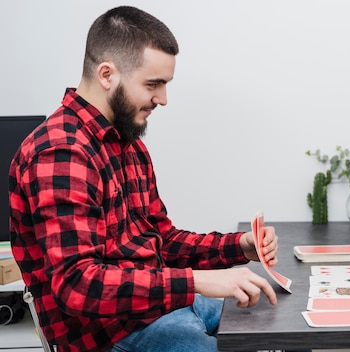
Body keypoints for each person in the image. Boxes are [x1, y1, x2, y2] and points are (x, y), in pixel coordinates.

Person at [9, 6, 279, 352]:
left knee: (278, 316)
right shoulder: (61, 154)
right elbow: (79, 284)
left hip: (158, 308)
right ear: (107, 74)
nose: (163, 100)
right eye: (153, 84)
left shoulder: (127, 144)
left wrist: (237, 246)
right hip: (108, 335)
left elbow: (160, 241)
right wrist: (197, 281)